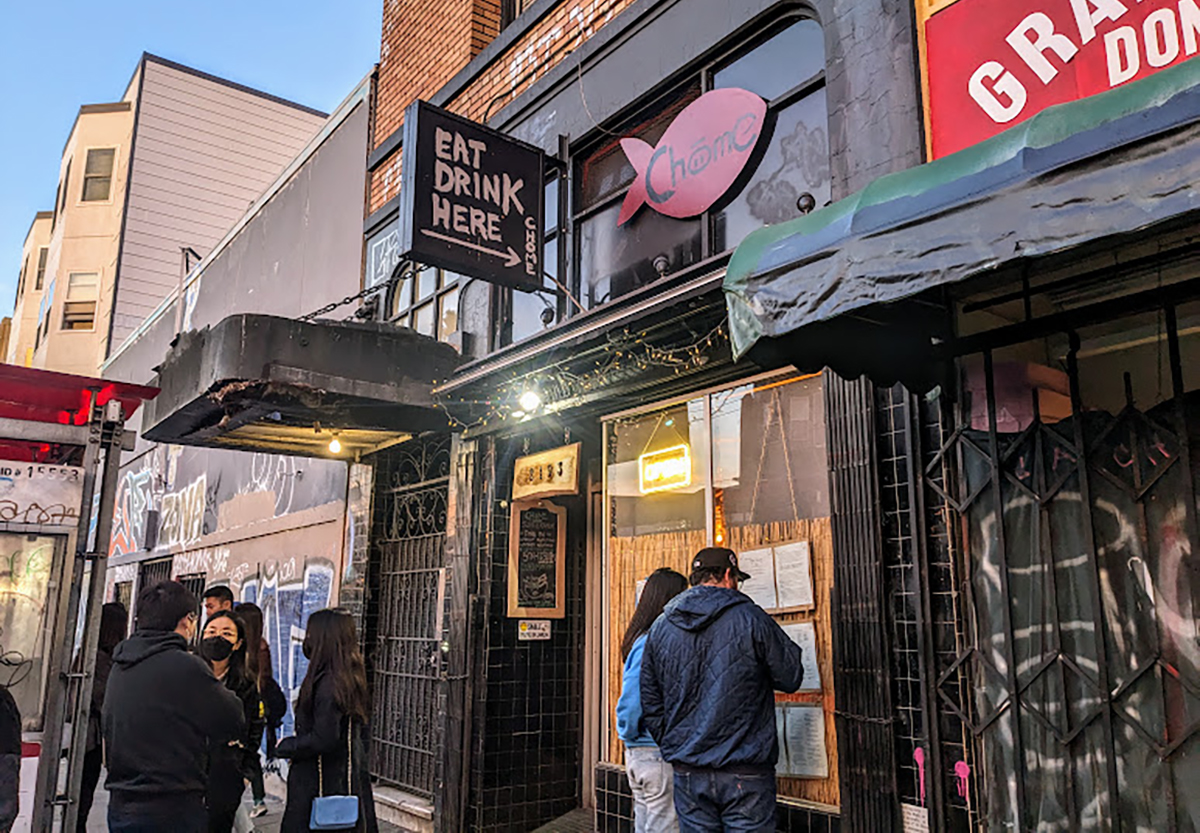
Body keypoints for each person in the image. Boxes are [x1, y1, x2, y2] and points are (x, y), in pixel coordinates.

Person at [641, 547, 803, 833]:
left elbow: (650, 700)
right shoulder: (750, 617)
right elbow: (791, 676)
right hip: (746, 769)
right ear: (728, 575)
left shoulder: (661, 626)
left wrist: (674, 746)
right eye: (737, 578)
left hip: (688, 769)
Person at [103, 580, 245, 833]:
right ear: (187, 620)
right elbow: (232, 718)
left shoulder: (122, 662)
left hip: (122, 802)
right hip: (171, 805)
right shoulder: (185, 666)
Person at [275, 609, 378, 833]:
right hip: (344, 782)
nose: (307, 639)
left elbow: (325, 738)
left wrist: (287, 746)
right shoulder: (348, 678)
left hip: (321, 785)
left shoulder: (329, 685)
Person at [617, 568, 688, 833]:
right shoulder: (651, 642)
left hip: (641, 752)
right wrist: (628, 730)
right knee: (663, 825)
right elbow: (633, 697)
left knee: (646, 824)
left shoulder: (644, 639)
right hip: (654, 752)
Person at [199, 611, 264, 833]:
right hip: (185, 774)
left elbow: (254, 730)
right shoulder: (187, 673)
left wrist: (244, 775)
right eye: (211, 631)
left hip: (225, 777)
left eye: (227, 634)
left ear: (237, 644)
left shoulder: (245, 684)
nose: (218, 638)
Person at [76, 602, 127, 832]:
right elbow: (104, 699)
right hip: (91, 738)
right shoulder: (103, 659)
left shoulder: (88, 653)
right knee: (85, 791)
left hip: (87, 735)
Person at [233, 602, 274, 818]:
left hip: (248, 707)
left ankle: (257, 799)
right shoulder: (261, 646)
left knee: (248, 751)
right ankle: (257, 799)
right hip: (254, 707)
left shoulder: (251, 649)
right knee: (251, 752)